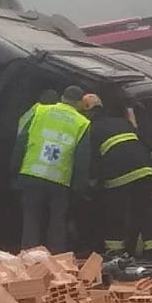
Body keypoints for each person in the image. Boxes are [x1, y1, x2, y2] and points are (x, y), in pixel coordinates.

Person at [80, 93, 152, 263]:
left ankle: (114, 253)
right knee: (146, 212)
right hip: (144, 169)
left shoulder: (92, 129)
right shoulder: (122, 122)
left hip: (118, 174)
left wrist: (92, 182)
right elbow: (146, 142)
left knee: (115, 213)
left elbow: (93, 159)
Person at [12, 85, 90, 252]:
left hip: (31, 173)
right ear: (79, 103)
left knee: (31, 219)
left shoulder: (40, 111)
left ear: (62, 98)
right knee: (57, 222)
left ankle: (30, 260)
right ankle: (56, 262)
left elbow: (21, 142)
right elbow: (82, 159)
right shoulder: (82, 123)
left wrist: (14, 169)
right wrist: (79, 187)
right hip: (59, 181)